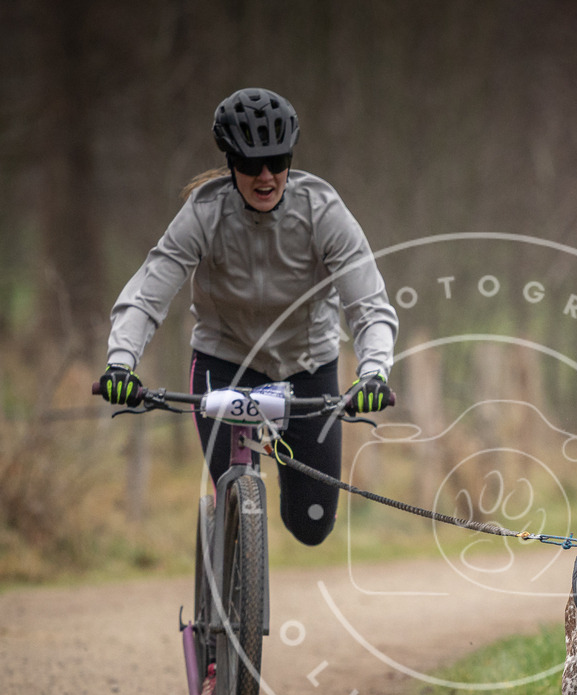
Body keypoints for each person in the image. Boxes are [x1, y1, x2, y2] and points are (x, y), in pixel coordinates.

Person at [100, 87, 398, 547]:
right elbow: (147, 294)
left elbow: (369, 305)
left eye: (277, 162)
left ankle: (278, 502)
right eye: (250, 164)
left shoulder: (322, 211)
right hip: (224, 362)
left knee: (312, 524)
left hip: (306, 365)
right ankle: (226, 561)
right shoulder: (204, 213)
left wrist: (374, 372)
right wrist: (121, 363)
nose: (265, 176)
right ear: (230, 162)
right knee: (233, 501)